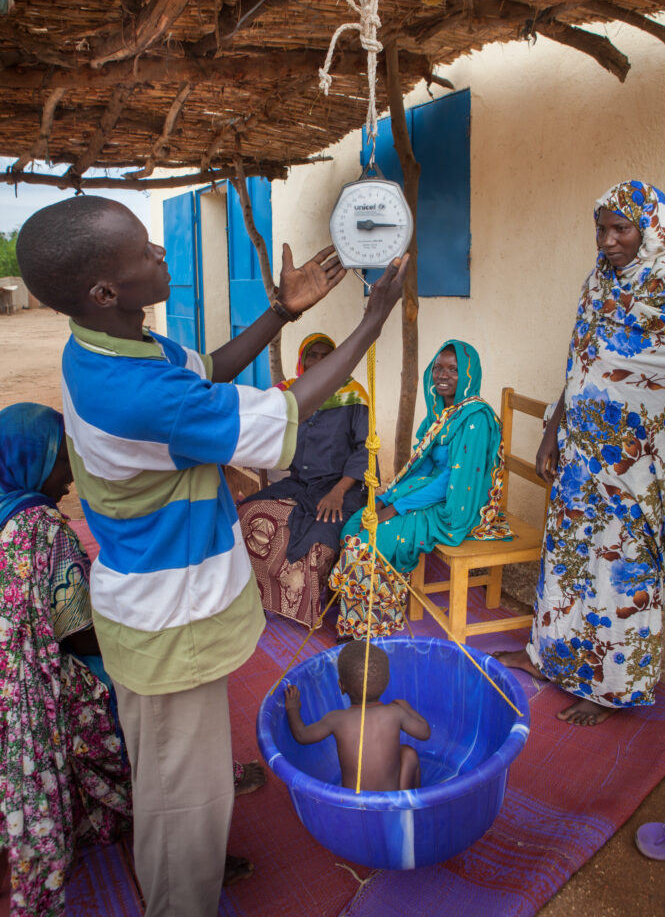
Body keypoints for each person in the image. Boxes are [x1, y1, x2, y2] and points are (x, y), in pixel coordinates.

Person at [15, 194, 408, 917]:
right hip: (169, 623)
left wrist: (281, 314)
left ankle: (192, 863)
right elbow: (279, 415)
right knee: (180, 801)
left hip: (176, 610)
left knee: (185, 781)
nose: (161, 254)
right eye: (143, 252)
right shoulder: (134, 391)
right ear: (105, 290)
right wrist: (372, 321)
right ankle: (180, 898)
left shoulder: (118, 343)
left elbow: (207, 374)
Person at [496, 181, 665, 726]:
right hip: (581, 459)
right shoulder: (599, 281)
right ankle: (551, 660)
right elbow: (582, 363)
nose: (606, 241)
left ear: (648, 227)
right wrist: (552, 430)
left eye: (619, 229)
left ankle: (609, 689)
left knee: (620, 574)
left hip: (638, 468)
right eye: (600, 229)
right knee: (571, 564)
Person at [0, 403, 131, 917]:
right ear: (34, 460)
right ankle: (130, 793)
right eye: (61, 462)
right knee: (115, 689)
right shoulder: (42, 528)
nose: (69, 479)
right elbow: (79, 636)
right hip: (24, 685)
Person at [329, 339, 508, 638]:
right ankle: (356, 610)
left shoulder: (476, 418)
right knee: (356, 522)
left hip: (455, 504)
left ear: (468, 373)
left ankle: (368, 626)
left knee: (372, 541)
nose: (443, 375)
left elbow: (451, 484)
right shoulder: (440, 414)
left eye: (454, 369)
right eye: (438, 368)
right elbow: (422, 468)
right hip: (429, 493)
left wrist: (395, 508)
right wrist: (387, 497)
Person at [238, 333, 370, 627]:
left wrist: (338, 491)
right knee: (249, 515)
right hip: (300, 484)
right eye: (314, 355)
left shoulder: (354, 395)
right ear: (302, 360)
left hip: (341, 487)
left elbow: (365, 449)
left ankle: (306, 609)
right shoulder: (290, 395)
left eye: (328, 356)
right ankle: (256, 597)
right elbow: (261, 427)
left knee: (318, 541)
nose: (320, 362)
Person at [284, 640, 430, 791]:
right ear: (386, 683)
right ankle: (411, 802)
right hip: (390, 801)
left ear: (341, 687)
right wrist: (406, 707)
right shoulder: (395, 712)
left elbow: (301, 736)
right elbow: (425, 732)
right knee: (408, 753)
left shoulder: (335, 719)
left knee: (405, 752)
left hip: (354, 804)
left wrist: (292, 707)